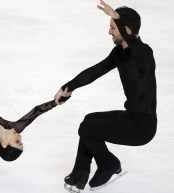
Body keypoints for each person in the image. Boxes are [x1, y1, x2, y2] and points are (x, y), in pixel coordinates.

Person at [54, 0, 157, 192]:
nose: (109, 32)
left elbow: (135, 44)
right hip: (131, 117)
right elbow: (97, 70)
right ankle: (79, 174)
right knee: (89, 120)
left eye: (113, 27)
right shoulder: (120, 53)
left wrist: (118, 19)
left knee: (87, 129)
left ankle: (109, 165)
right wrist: (69, 87)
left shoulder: (144, 53)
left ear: (125, 29)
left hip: (142, 127)